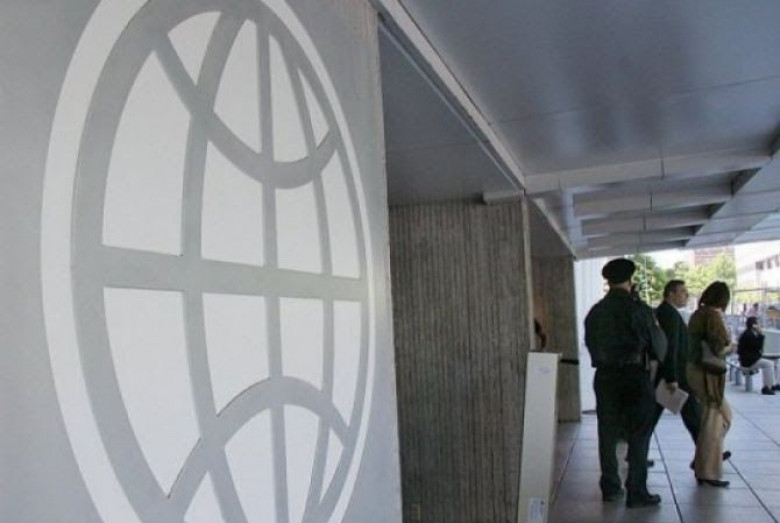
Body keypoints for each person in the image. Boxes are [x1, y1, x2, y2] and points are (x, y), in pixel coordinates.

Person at [584, 258, 663, 508]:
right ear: (630, 280)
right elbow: (658, 346)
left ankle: (610, 487)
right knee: (639, 433)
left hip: (605, 376)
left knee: (607, 432)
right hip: (635, 375)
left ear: (608, 281)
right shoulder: (639, 309)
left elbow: (591, 344)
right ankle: (636, 491)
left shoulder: (596, 311)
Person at [687, 281, 733, 488]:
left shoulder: (698, 314)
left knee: (720, 418)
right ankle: (707, 471)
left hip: (696, 370)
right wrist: (730, 347)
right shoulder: (713, 316)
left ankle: (702, 462)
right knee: (714, 421)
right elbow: (718, 348)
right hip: (708, 375)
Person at [652, 280, 702, 447]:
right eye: (682, 291)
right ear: (671, 294)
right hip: (675, 375)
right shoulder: (669, 314)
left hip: (673, 374)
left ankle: (707, 453)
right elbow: (671, 346)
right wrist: (671, 377)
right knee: (693, 415)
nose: (686, 295)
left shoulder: (668, 312)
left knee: (692, 415)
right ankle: (708, 453)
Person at [737, 317, 780, 395]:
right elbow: (758, 346)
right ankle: (766, 387)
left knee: (774, 361)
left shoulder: (748, 333)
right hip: (748, 362)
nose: (760, 325)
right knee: (768, 364)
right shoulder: (749, 335)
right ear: (754, 325)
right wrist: (761, 334)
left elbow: (755, 349)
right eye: (758, 323)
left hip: (749, 359)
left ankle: (773, 384)